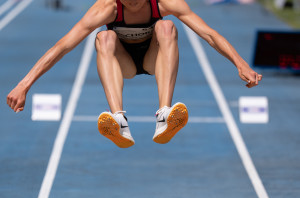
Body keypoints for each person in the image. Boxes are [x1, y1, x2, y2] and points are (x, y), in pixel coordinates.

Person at [7, 0, 262, 148]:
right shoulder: (107, 7)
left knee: (167, 26)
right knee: (104, 36)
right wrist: (24, 84)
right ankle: (118, 119)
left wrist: (240, 63)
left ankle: (165, 114)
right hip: (123, 62)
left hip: (155, 59)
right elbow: (63, 45)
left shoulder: (163, 3)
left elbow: (208, 34)